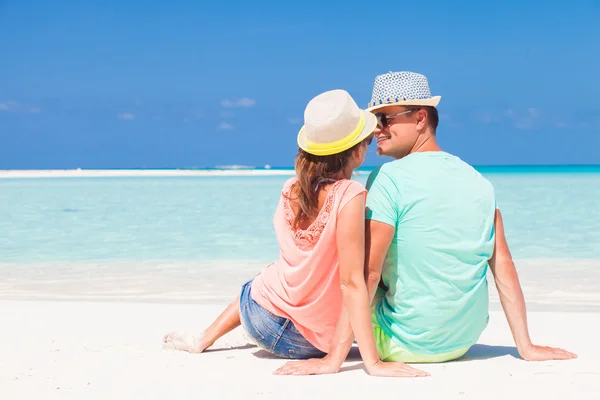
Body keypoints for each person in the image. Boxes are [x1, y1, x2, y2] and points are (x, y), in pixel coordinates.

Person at [275, 71, 577, 376]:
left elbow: (367, 275)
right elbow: (503, 267)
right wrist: (525, 346)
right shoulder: (480, 182)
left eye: (385, 119)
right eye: (373, 121)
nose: (375, 130)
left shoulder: (387, 180)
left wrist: (333, 359)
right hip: (463, 340)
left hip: (401, 343)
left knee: (348, 272)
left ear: (420, 119)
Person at [163, 89, 429, 377]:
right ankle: (206, 338)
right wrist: (369, 363)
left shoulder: (291, 188)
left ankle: (203, 339)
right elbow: (353, 283)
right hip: (302, 342)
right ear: (356, 151)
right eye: (365, 141)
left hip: (258, 318)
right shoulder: (350, 194)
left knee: (266, 278)